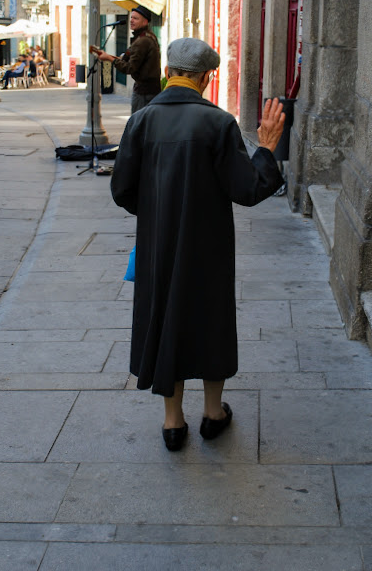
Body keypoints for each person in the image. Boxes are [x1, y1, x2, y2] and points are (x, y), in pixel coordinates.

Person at [110, 37, 285, 452]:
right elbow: (248, 189)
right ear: (207, 77)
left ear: (169, 72)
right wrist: (268, 148)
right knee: (209, 320)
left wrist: (157, 212)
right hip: (207, 244)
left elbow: (122, 190)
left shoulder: (141, 121)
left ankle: (173, 422)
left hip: (158, 244)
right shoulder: (218, 123)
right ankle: (212, 412)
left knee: (164, 315)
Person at [90, 4, 161, 113]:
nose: (131, 20)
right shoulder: (147, 37)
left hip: (144, 93)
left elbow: (129, 68)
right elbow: (129, 59)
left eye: (136, 18)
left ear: (145, 22)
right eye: (131, 17)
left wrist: (109, 58)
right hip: (149, 91)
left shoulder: (142, 41)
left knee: (138, 125)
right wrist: (110, 57)